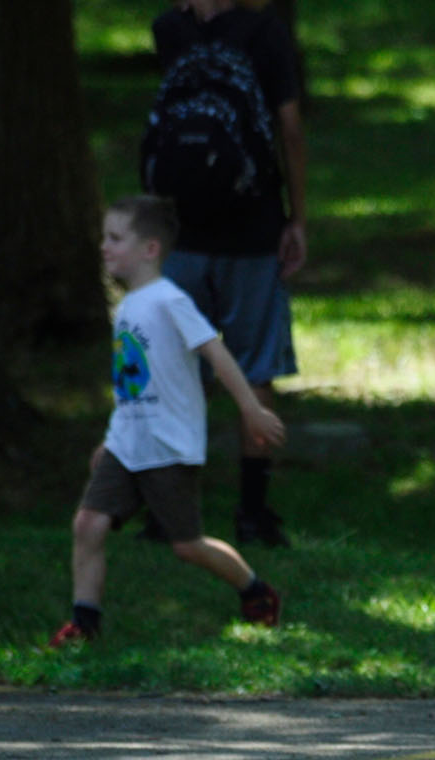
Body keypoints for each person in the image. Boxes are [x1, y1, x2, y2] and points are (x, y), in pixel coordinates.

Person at [49, 195, 287, 648]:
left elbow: (215, 352)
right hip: (128, 442)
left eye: (115, 238)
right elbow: (131, 382)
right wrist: (112, 437)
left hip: (168, 445)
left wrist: (251, 410)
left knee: (186, 544)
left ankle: (256, 591)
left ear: (150, 249)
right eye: (105, 237)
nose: (104, 247)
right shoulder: (127, 307)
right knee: (88, 523)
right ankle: (84, 626)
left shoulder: (169, 300)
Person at [149, 0, 308, 547]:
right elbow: (289, 129)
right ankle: (253, 511)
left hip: (181, 230)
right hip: (251, 229)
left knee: (173, 365)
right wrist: (297, 218)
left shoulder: (169, 30)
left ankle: (164, 510)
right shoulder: (265, 30)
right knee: (254, 366)